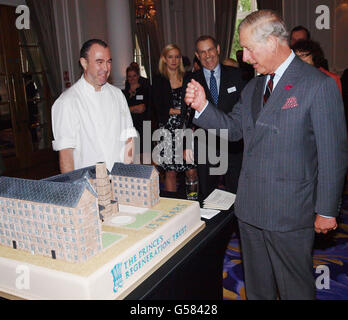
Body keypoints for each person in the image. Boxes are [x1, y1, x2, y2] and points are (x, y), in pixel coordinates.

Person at [185, 10, 348, 300]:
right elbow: (234, 129)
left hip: (290, 213)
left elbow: (333, 153)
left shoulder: (317, 85)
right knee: (258, 289)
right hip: (249, 211)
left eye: (249, 48)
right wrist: (203, 108)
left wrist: (326, 210)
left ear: (272, 42)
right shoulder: (253, 86)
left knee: (294, 290)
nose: (244, 57)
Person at [52, 39, 137, 173]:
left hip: (119, 182)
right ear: (84, 63)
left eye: (108, 62)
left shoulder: (117, 95)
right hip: (88, 186)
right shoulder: (67, 102)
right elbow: (66, 154)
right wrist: (75, 189)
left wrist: (128, 175)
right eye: (99, 62)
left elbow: (129, 138)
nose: (106, 68)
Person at [188, 35, 245, 200]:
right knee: (208, 196)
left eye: (210, 50)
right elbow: (186, 116)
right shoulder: (190, 79)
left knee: (237, 194)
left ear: (218, 49)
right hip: (206, 145)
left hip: (233, 145)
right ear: (197, 56)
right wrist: (185, 145)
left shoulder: (236, 75)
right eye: (202, 52)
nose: (207, 55)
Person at [152, 43, 197, 193]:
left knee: (191, 170)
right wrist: (181, 111)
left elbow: (194, 102)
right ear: (164, 59)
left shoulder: (188, 77)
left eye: (177, 57)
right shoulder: (159, 79)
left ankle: (193, 202)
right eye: (170, 57)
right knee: (171, 172)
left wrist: (181, 112)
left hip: (187, 129)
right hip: (167, 131)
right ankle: (174, 207)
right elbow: (160, 108)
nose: (174, 60)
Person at [122, 65, 149, 163]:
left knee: (145, 157)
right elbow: (122, 111)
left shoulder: (145, 90)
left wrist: (129, 109)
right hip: (130, 127)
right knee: (133, 156)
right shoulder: (123, 93)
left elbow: (142, 108)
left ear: (138, 76)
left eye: (134, 76)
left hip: (144, 126)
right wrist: (134, 108)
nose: (132, 78)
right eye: (129, 76)